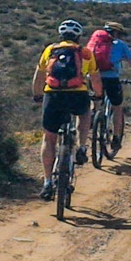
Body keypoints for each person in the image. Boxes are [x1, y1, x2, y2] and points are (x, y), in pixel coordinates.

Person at [31, 20, 103, 200]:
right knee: (85, 114)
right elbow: (95, 78)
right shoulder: (86, 52)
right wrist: (99, 96)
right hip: (77, 95)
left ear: (61, 35)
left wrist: (37, 95)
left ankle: (47, 183)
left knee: (49, 138)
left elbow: (39, 75)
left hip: (53, 95)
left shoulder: (50, 50)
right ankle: (82, 147)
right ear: (78, 37)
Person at [86, 22, 131, 153]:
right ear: (116, 33)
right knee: (117, 107)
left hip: (92, 77)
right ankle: (116, 138)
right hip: (111, 78)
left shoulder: (94, 43)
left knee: (96, 98)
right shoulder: (120, 45)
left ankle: (93, 115)